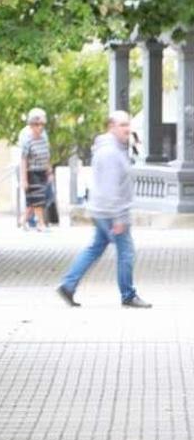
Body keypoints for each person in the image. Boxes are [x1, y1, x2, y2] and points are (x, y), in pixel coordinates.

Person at [57, 110, 151, 309]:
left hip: (103, 209)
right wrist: (118, 218)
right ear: (111, 127)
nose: (127, 129)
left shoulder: (115, 148)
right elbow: (110, 187)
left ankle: (68, 285)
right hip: (112, 211)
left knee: (95, 248)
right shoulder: (110, 152)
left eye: (128, 124)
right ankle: (128, 294)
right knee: (126, 252)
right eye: (122, 125)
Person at [18, 108, 53, 231]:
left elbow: (47, 154)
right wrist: (24, 179)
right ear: (31, 124)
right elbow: (23, 159)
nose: (40, 127)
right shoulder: (26, 138)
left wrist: (49, 170)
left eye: (42, 124)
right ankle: (41, 224)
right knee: (38, 198)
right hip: (32, 172)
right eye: (37, 124)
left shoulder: (44, 136)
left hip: (42, 171)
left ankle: (23, 220)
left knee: (36, 199)